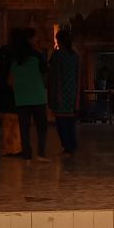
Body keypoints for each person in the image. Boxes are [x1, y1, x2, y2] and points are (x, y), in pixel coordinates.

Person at [6, 29, 50, 162]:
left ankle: (27, 155)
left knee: (24, 128)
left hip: (21, 98)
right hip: (37, 96)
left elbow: (10, 80)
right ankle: (40, 153)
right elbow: (46, 72)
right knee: (41, 127)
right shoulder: (37, 56)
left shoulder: (14, 59)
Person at [49, 29, 82, 157]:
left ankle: (67, 146)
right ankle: (72, 145)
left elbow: (55, 75)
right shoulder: (75, 55)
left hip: (60, 91)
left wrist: (55, 94)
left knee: (61, 122)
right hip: (72, 91)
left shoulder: (58, 55)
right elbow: (78, 75)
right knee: (70, 121)